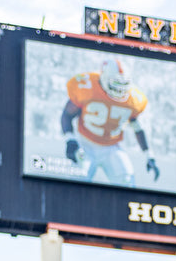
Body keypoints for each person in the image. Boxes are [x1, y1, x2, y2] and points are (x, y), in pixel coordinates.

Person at [61, 57, 159, 188]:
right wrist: (70, 139)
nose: (120, 90)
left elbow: (137, 127)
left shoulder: (133, 98)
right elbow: (67, 115)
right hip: (85, 143)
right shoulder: (87, 87)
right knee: (76, 184)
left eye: (124, 85)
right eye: (116, 84)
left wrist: (149, 154)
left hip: (112, 147)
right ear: (104, 79)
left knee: (128, 182)